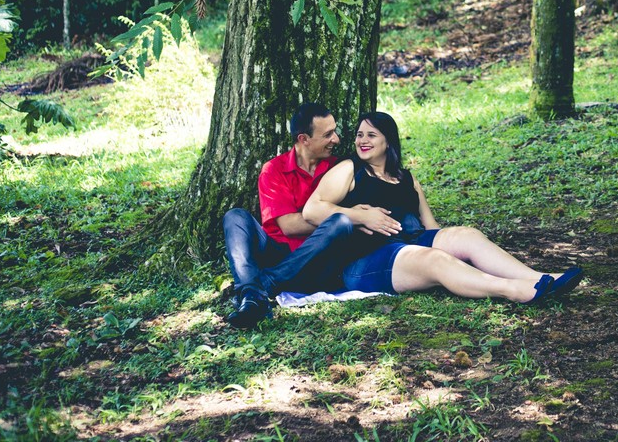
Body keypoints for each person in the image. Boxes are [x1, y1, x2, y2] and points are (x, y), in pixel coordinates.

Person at [303, 111, 583, 304]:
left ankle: (542, 278)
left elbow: (432, 228)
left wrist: (453, 243)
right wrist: (360, 215)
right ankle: (514, 290)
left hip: (409, 243)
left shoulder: (407, 178)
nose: (362, 140)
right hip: (365, 260)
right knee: (435, 260)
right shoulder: (350, 170)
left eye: (371, 135)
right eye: (359, 134)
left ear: (388, 140)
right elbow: (312, 210)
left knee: (466, 235)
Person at [222, 102, 403, 328]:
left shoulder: (340, 168)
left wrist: (344, 217)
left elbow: (341, 222)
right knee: (235, 217)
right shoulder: (274, 169)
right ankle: (250, 295)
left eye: (334, 131)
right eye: (327, 135)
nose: (336, 139)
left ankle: (260, 288)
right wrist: (352, 214)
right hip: (278, 254)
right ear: (303, 139)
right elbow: (288, 226)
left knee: (339, 222)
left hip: (321, 262)